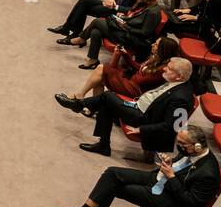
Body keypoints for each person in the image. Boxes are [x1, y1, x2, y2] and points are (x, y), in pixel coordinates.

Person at [52, 127, 218, 207]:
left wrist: (171, 177)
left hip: (168, 200)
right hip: (157, 179)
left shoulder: (208, 174)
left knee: (114, 187)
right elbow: (182, 165)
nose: (179, 147)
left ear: (197, 147)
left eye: (182, 144)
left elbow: (190, 203)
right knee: (111, 173)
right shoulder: (191, 151)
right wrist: (170, 163)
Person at [54, 57, 195, 156]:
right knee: (107, 102)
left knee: (108, 96)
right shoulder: (177, 82)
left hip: (144, 119)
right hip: (140, 106)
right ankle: (103, 145)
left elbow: (172, 127)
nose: (164, 68)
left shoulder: (181, 98)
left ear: (179, 76)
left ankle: (79, 104)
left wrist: (142, 129)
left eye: (169, 68)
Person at [62, 35, 178, 103]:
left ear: (163, 50)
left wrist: (125, 75)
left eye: (156, 44)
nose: (153, 44)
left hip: (136, 90)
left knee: (101, 70)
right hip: (132, 82)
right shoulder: (155, 58)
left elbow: (141, 80)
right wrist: (126, 55)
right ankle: (90, 106)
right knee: (100, 76)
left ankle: (82, 97)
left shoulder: (163, 69)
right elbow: (140, 68)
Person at [73, 0, 162, 71]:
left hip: (132, 38)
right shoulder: (142, 3)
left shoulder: (153, 12)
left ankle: (82, 39)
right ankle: (93, 60)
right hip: (126, 29)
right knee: (96, 31)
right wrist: (124, 17)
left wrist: (125, 26)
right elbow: (132, 14)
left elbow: (144, 33)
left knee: (97, 22)